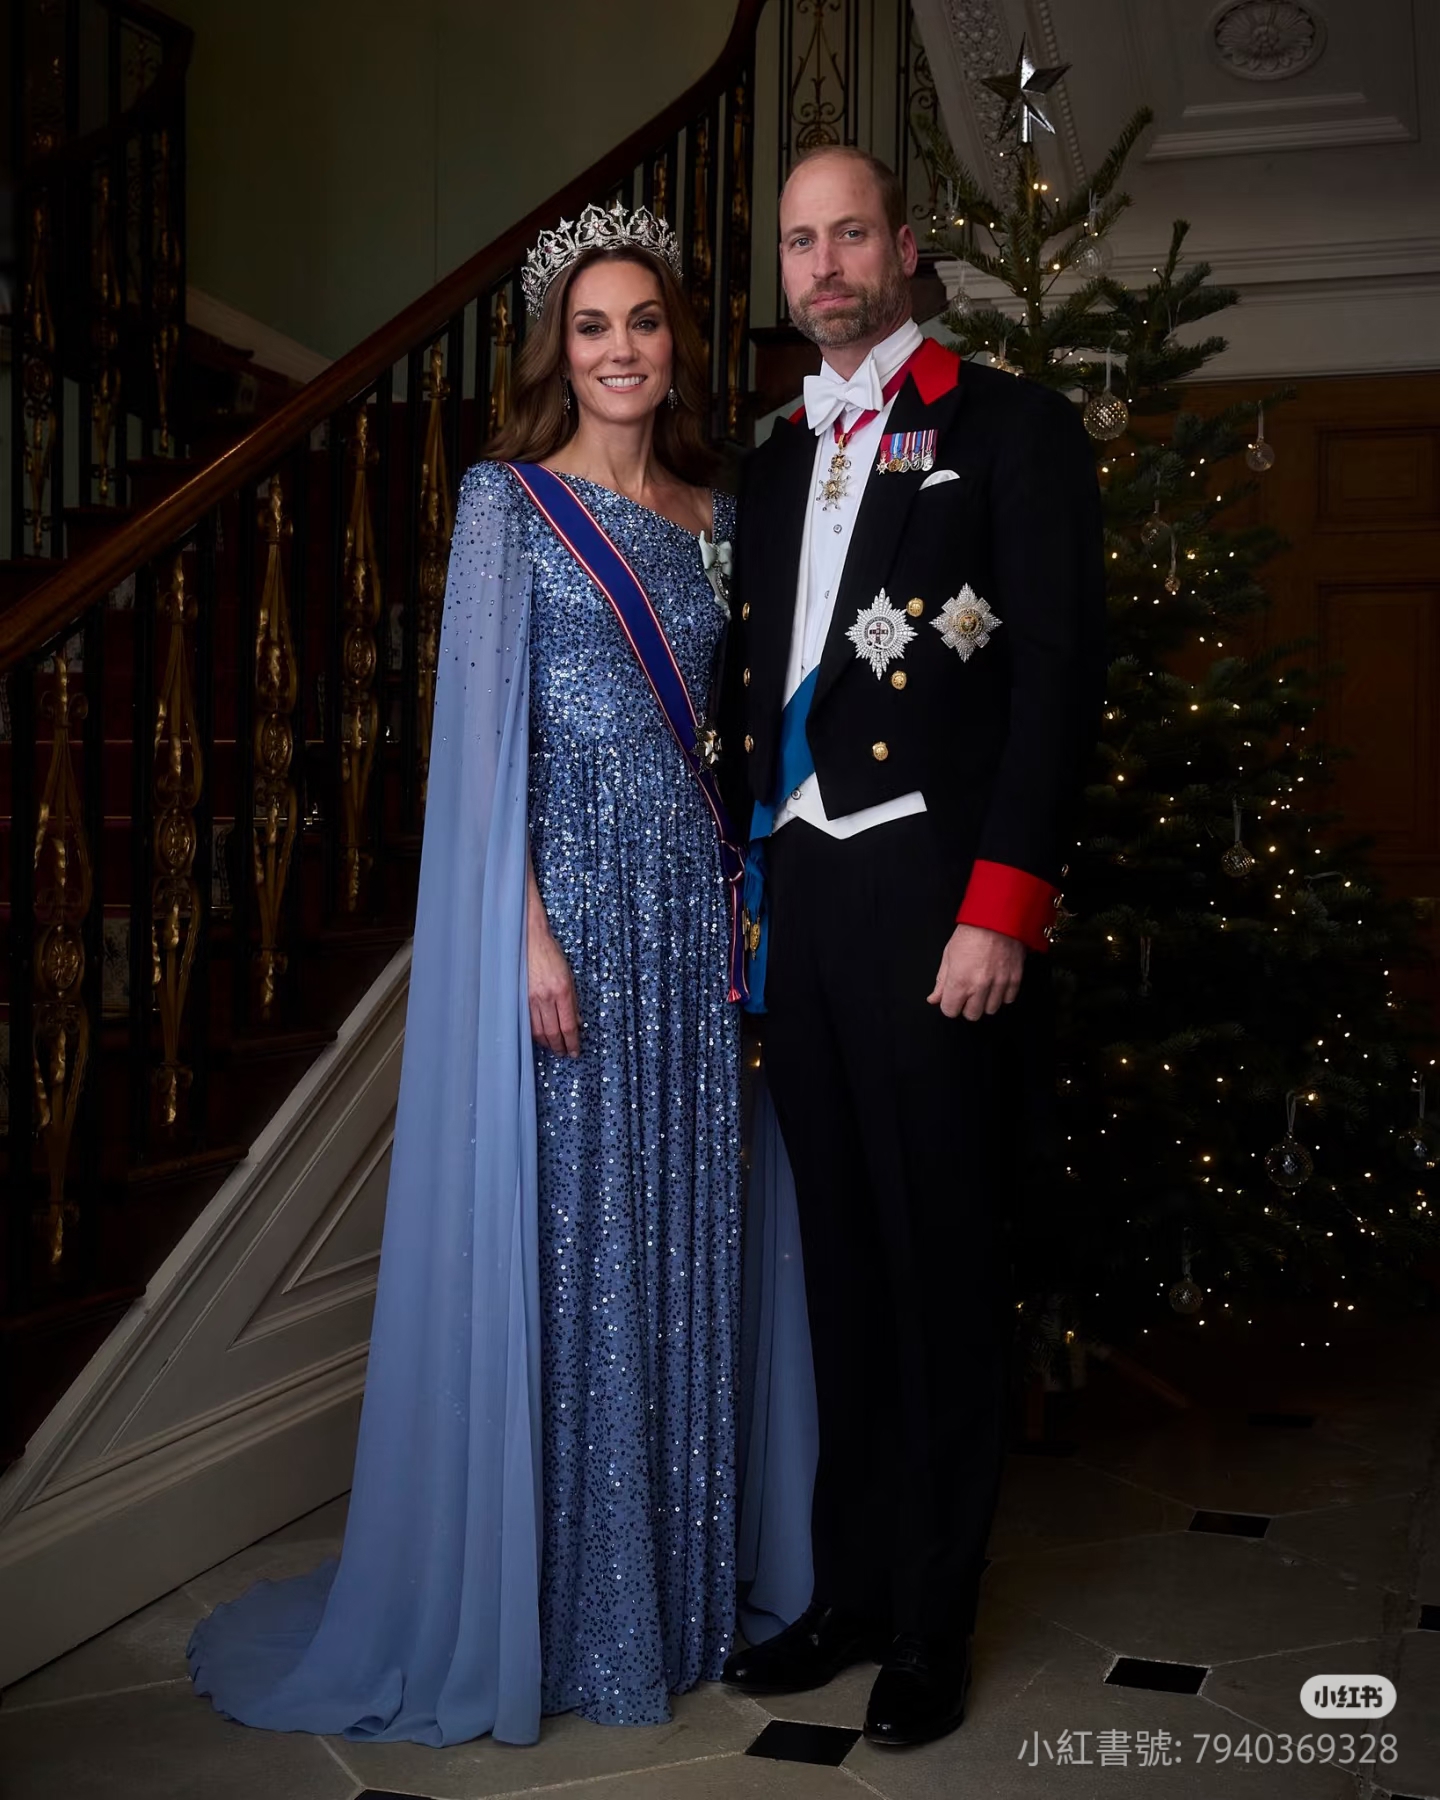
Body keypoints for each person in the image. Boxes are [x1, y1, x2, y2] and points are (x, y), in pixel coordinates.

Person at [188, 203, 748, 1745]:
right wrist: (525, 935)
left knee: (678, 1229)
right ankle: (562, 1605)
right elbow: (479, 743)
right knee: (581, 1242)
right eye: (593, 326)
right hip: (570, 919)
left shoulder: (717, 514)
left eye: (644, 322)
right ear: (556, 351)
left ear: (676, 342)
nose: (621, 350)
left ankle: (669, 1594)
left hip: (688, 920)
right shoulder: (508, 504)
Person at [719, 146, 1106, 1748]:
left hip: (937, 904)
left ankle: (934, 1624)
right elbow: (754, 696)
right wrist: (748, 893)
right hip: (806, 900)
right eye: (799, 241)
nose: (824, 264)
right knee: (843, 1270)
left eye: (849, 235)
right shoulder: (766, 463)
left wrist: (1001, 903)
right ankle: (856, 1590)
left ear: (903, 246)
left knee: (941, 1265)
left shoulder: (1010, 429)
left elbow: (1056, 681)